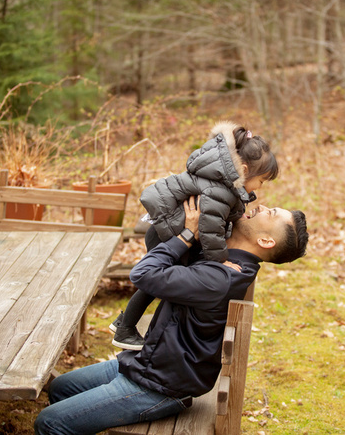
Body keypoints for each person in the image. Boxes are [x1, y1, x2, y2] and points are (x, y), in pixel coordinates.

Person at [34, 196, 308, 435]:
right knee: (60, 388)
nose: (262, 207)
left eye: (271, 213)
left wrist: (186, 236)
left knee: (50, 423)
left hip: (159, 386)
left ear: (265, 240)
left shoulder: (220, 277)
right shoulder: (223, 254)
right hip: (149, 362)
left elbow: (142, 274)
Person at [111, 121, 279, 350]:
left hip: (170, 231)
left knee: (162, 281)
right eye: (261, 181)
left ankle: (125, 323)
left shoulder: (220, 182)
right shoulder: (220, 189)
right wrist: (221, 259)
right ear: (245, 171)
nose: (259, 187)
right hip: (169, 236)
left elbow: (220, 220)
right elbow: (210, 229)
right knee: (157, 283)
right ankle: (125, 328)